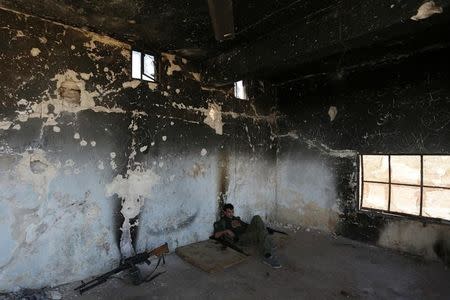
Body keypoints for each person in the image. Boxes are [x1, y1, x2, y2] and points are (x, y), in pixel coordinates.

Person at [213, 203, 281, 268]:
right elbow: (216, 235)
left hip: (247, 231)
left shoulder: (236, 218)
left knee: (256, 217)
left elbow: (246, 225)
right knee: (261, 233)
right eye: (229, 212)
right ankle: (267, 256)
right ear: (224, 212)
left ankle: (266, 240)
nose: (231, 214)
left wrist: (258, 227)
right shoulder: (222, 221)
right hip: (241, 237)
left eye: (232, 211)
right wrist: (226, 230)